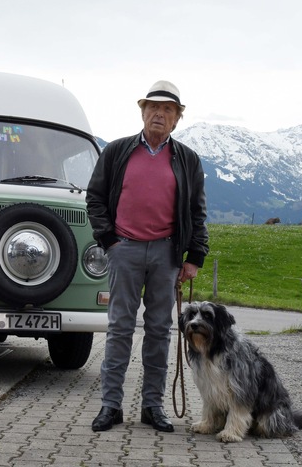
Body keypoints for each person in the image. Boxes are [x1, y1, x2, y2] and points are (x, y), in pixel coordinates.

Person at [85, 79, 209, 432]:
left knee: (160, 331)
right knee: (120, 329)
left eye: (167, 109)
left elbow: (197, 212)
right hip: (124, 249)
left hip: (166, 253)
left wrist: (194, 256)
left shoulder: (186, 159)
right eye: (152, 107)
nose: (158, 114)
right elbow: (94, 198)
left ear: (176, 119)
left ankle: (152, 407)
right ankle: (111, 406)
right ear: (142, 112)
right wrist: (109, 240)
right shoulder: (118, 151)